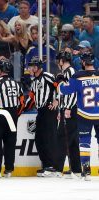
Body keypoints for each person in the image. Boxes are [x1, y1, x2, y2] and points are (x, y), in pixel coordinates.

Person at [58, 52, 99, 181]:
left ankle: (86, 171)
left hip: (84, 115)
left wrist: (59, 82)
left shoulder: (78, 76)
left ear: (82, 62)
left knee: (84, 142)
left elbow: (64, 90)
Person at [0, 61, 24, 178]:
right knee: (10, 143)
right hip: (12, 115)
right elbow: (22, 102)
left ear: (1, 71)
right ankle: (8, 170)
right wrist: (16, 114)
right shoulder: (16, 83)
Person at [23, 57, 58, 177]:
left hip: (49, 111)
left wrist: (57, 100)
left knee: (49, 138)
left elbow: (60, 86)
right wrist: (20, 109)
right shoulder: (34, 81)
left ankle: (52, 166)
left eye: (31, 66)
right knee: (39, 139)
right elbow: (31, 99)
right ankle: (46, 164)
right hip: (41, 112)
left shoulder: (48, 76)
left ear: (36, 67)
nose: (29, 69)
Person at [55, 51, 82, 178]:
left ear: (62, 60)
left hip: (70, 108)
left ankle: (58, 168)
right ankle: (76, 169)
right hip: (67, 108)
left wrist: (68, 108)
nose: (57, 62)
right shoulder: (67, 72)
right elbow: (63, 93)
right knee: (71, 140)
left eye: (59, 60)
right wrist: (61, 108)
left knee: (63, 137)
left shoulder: (70, 72)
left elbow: (72, 93)